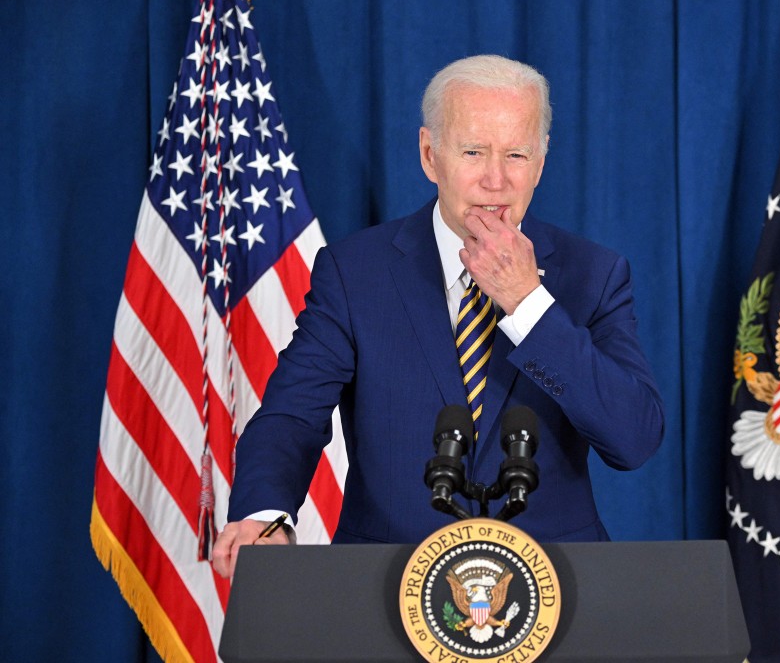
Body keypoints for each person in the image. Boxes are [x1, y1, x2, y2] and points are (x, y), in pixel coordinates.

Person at [212, 55, 664, 579]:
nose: (495, 180)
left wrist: (529, 305)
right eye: (474, 151)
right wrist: (265, 515)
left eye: (516, 154)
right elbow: (294, 412)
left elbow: (633, 438)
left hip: (556, 590)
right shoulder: (355, 272)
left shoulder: (595, 274)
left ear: (540, 164)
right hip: (388, 586)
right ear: (431, 155)